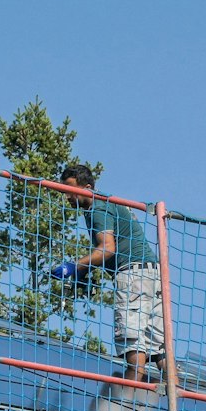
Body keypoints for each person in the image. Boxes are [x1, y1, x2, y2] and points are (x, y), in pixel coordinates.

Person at [52, 162, 165, 384]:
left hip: (132, 275)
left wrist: (74, 266)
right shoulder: (108, 203)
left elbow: (107, 249)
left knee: (131, 338)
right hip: (153, 273)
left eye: (71, 190)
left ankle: (128, 399)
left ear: (87, 187)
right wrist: (84, 272)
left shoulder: (98, 207)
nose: (67, 196)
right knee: (159, 344)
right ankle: (175, 398)